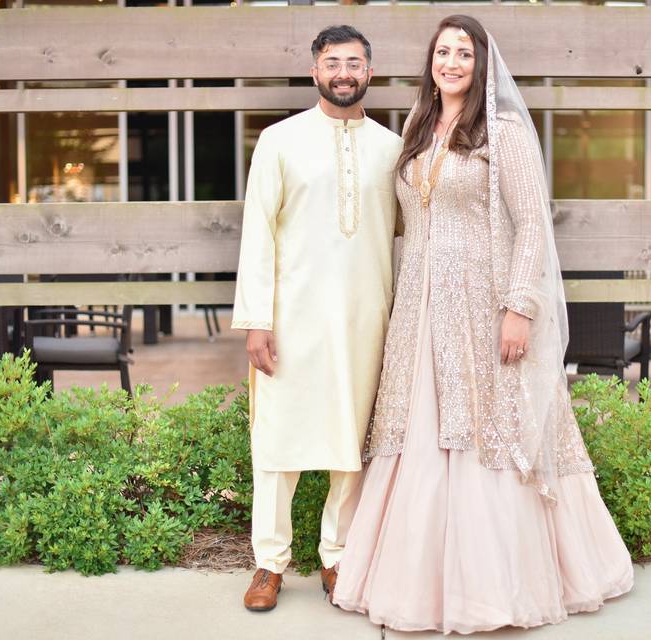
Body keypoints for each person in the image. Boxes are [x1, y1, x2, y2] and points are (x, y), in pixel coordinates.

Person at [332, 15, 634, 633]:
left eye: (463, 53)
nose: (451, 62)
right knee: (416, 434)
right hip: (417, 311)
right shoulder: (416, 129)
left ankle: (496, 587)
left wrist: (519, 307)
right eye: (442, 51)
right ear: (430, 62)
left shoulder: (505, 134)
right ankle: (415, 582)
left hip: (481, 306)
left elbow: (532, 226)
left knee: (491, 433)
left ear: (481, 62)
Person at [232, 24, 402, 612]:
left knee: (351, 441)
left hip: (366, 320)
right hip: (291, 319)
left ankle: (338, 556)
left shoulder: (391, 148)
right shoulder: (279, 141)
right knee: (279, 441)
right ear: (315, 72)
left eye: (354, 63)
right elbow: (257, 233)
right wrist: (257, 319)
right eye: (333, 63)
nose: (344, 73)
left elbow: (406, 241)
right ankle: (268, 563)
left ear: (370, 73)